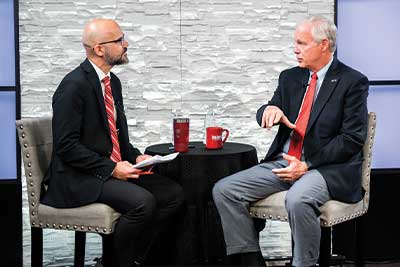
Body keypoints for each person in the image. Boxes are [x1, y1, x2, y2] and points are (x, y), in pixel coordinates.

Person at [213, 16, 368, 267]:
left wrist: (307, 165)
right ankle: (251, 261)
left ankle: (304, 264)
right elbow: (270, 106)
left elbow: (351, 140)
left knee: (297, 199)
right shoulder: (290, 78)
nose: (295, 49)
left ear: (324, 45)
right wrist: (268, 111)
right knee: (225, 190)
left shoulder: (352, 82)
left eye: (301, 43)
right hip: (284, 163)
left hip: (326, 168)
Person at [41, 18, 184, 267]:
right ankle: (117, 262)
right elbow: (66, 146)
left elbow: (115, 134)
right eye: (119, 40)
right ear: (99, 49)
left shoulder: (111, 82)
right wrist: (111, 169)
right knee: (142, 202)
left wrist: (137, 157)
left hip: (106, 170)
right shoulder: (72, 87)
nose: (125, 44)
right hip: (78, 177)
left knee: (173, 193)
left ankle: (135, 259)